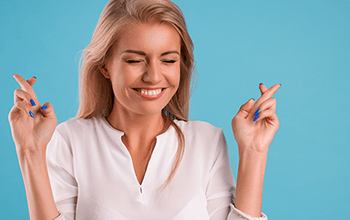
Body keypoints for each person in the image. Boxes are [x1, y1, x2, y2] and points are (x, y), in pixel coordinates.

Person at [8, 0, 281, 219]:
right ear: (105, 66)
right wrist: (30, 151)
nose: (153, 76)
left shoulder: (207, 141)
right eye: (135, 60)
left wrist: (253, 151)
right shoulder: (70, 139)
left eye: (168, 60)